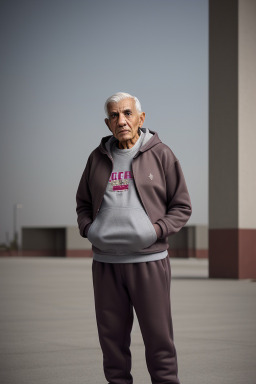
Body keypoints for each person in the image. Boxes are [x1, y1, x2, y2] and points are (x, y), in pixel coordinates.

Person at [76, 92, 192, 384]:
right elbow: (83, 204)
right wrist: (89, 229)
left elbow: (182, 207)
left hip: (149, 262)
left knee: (159, 342)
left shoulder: (161, 154)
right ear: (107, 123)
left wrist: (155, 231)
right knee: (112, 345)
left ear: (141, 118)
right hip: (105, 264)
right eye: (114, 115)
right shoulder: (96, 158)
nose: (121, 120)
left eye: (127, 113)